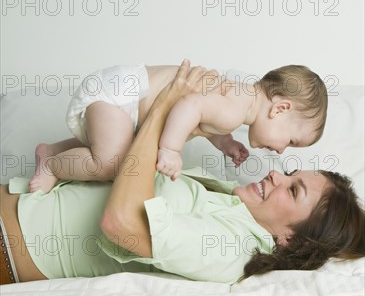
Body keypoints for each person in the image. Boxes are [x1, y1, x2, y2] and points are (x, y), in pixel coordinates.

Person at [0, 61, 363, 286]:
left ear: (290, 239)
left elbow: (122, 223)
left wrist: (162, 106)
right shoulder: (230, 196)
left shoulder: (230, 248)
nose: (276, 175)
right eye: (290, 173)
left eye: (293, 191)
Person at [28, 62, 328, 193]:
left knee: (113, 148)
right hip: (121, 97)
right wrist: (170, 150)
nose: (280, 150)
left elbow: (203, 114)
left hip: (122, 91)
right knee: (112, 164)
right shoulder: (233, 112)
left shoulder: (236, 100)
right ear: (280, 108)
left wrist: (224, 144)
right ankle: (54, 165)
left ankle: (51, 150)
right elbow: (189, 107)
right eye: (290, 141)